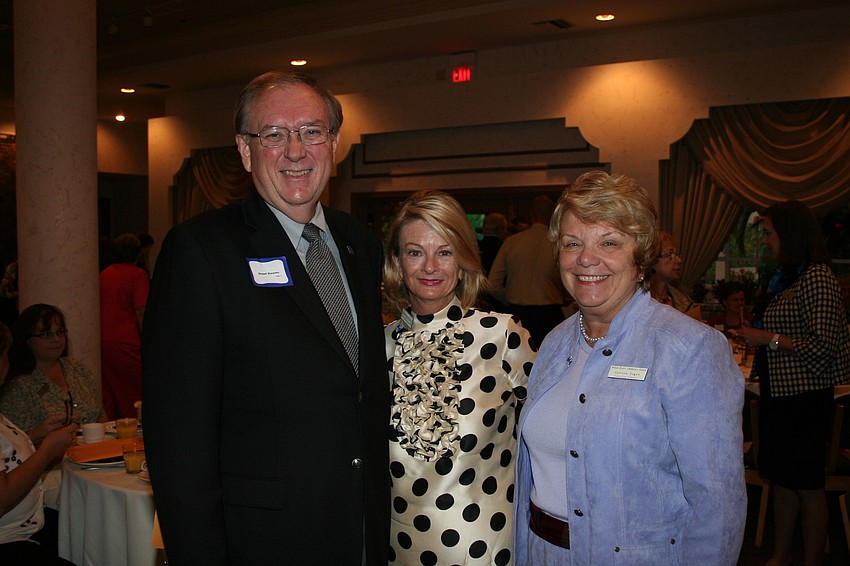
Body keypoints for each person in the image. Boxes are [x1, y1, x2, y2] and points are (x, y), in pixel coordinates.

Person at [143, 71, 389, 565]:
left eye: (311, 131)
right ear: (244, 149)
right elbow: (178, 437)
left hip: (361, 528)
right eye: (273, 134)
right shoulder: (202, 250)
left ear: (334, 144)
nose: (295, 151)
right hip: (263, 539)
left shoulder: (358, 243)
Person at [513, 171, 746, 564]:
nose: (587, 258)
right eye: (573, 243)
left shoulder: (689, 349)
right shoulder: (553, 343)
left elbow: (716, 504)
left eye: (609, 242)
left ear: (641, 257)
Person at [383, 191, 536, 565]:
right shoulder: (378, 347)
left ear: (464, 260)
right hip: (395, 546)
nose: (430, 267)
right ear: (398, 263)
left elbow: (549, 436)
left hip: (482, 547)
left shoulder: (501, 336)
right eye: (415, 252)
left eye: (445, 252)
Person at [738, 200, 850, 566]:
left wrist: (765, 337)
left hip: (805, 398)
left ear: (791, 233)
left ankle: (812, 560)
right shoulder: (788, 276)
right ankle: (780, 554)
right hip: (779, 395)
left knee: (808, 487)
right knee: (782, 481)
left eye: (770, 233)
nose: (767, 241)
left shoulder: (818, 277)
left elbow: (823, 346)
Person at [0, 321, 78, 565]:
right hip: (9, 541)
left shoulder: (75, 369)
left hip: (29, 526)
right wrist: (46, 451)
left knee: (84, 522)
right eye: (4, 354)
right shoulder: (22, 385)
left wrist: (36, 434)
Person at [0, 304, 106, 432]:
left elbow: (101, 416)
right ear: (27, 339)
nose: (56, 339)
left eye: (59, 332)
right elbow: (15, 442)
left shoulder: (78, 369)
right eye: (46, 334)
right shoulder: (18, 385)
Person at [488, 195, 567, 347]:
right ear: (553, 214)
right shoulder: (559, 243)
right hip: (550, 314)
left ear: (531, 213)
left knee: (519, 364)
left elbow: (492, 283)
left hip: (519, 313)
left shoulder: (512, 242)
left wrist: (509, 298)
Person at [100, 233, 149, 420]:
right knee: (133, 396)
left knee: (109, 395)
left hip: (103, 341)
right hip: (127, 341)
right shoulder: (137, 275)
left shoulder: (104, 274)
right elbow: (141, 311)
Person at [648, 231, 695, 313]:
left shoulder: (682, 300)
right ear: (651, 260)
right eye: (670, 254)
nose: (679, 260)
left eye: (677, 254)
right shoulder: (638, 299)